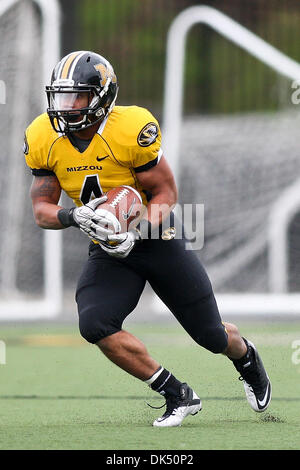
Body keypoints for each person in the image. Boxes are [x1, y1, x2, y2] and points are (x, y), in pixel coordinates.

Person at [24, 50, 271, 427]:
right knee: (95, 324)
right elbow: (42, 208)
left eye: (78, 97)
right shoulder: (43, 135)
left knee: (210, 335)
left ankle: (246, 357)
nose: (67, 107)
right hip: (107, 244)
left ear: (103, 96)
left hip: (157, 236)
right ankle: (177, 394)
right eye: (61, 96)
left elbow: (166, 194)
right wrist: (72, 215)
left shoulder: (131, 127)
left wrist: (135, 229)